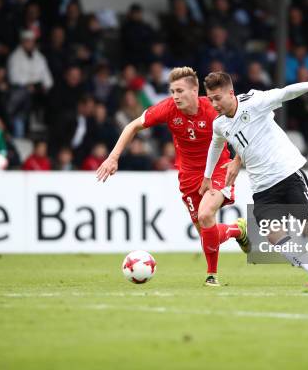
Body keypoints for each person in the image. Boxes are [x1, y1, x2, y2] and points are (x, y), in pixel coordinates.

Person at [96, 67, 248, 286]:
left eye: (180, 91)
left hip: (218, 169)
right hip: (188, 176)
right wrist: (113, 157)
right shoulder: (168, 109)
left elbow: (243, 129)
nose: (175, 96)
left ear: (195, 90)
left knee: (206, 216)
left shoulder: (212, 108)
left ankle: (211, 275)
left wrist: (237, 160)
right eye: (172, 91)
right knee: (206, 232)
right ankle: (237, 229)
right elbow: (133, 126)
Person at [201, 69, 308, 287]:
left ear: (231, 93)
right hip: (261, 187)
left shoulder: (254, 101)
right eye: (211, 99)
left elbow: (284, 92)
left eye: (218, 98)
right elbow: (216, 144)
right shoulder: (219, 123)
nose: (214, 104)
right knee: (273, 235)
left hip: (287, 173)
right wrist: (207, 176)